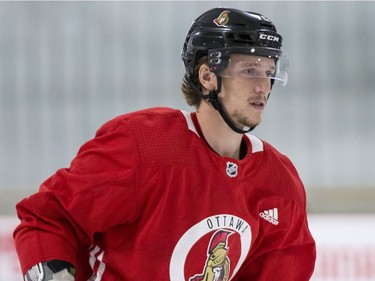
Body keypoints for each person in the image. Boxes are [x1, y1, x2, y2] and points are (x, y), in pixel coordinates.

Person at [14, 7, 316, 281]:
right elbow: (50, 218)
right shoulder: (143, 144)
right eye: (249, 70)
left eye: (269, 72)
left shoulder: (280, 183)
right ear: (208, 76)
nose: (264, 86)